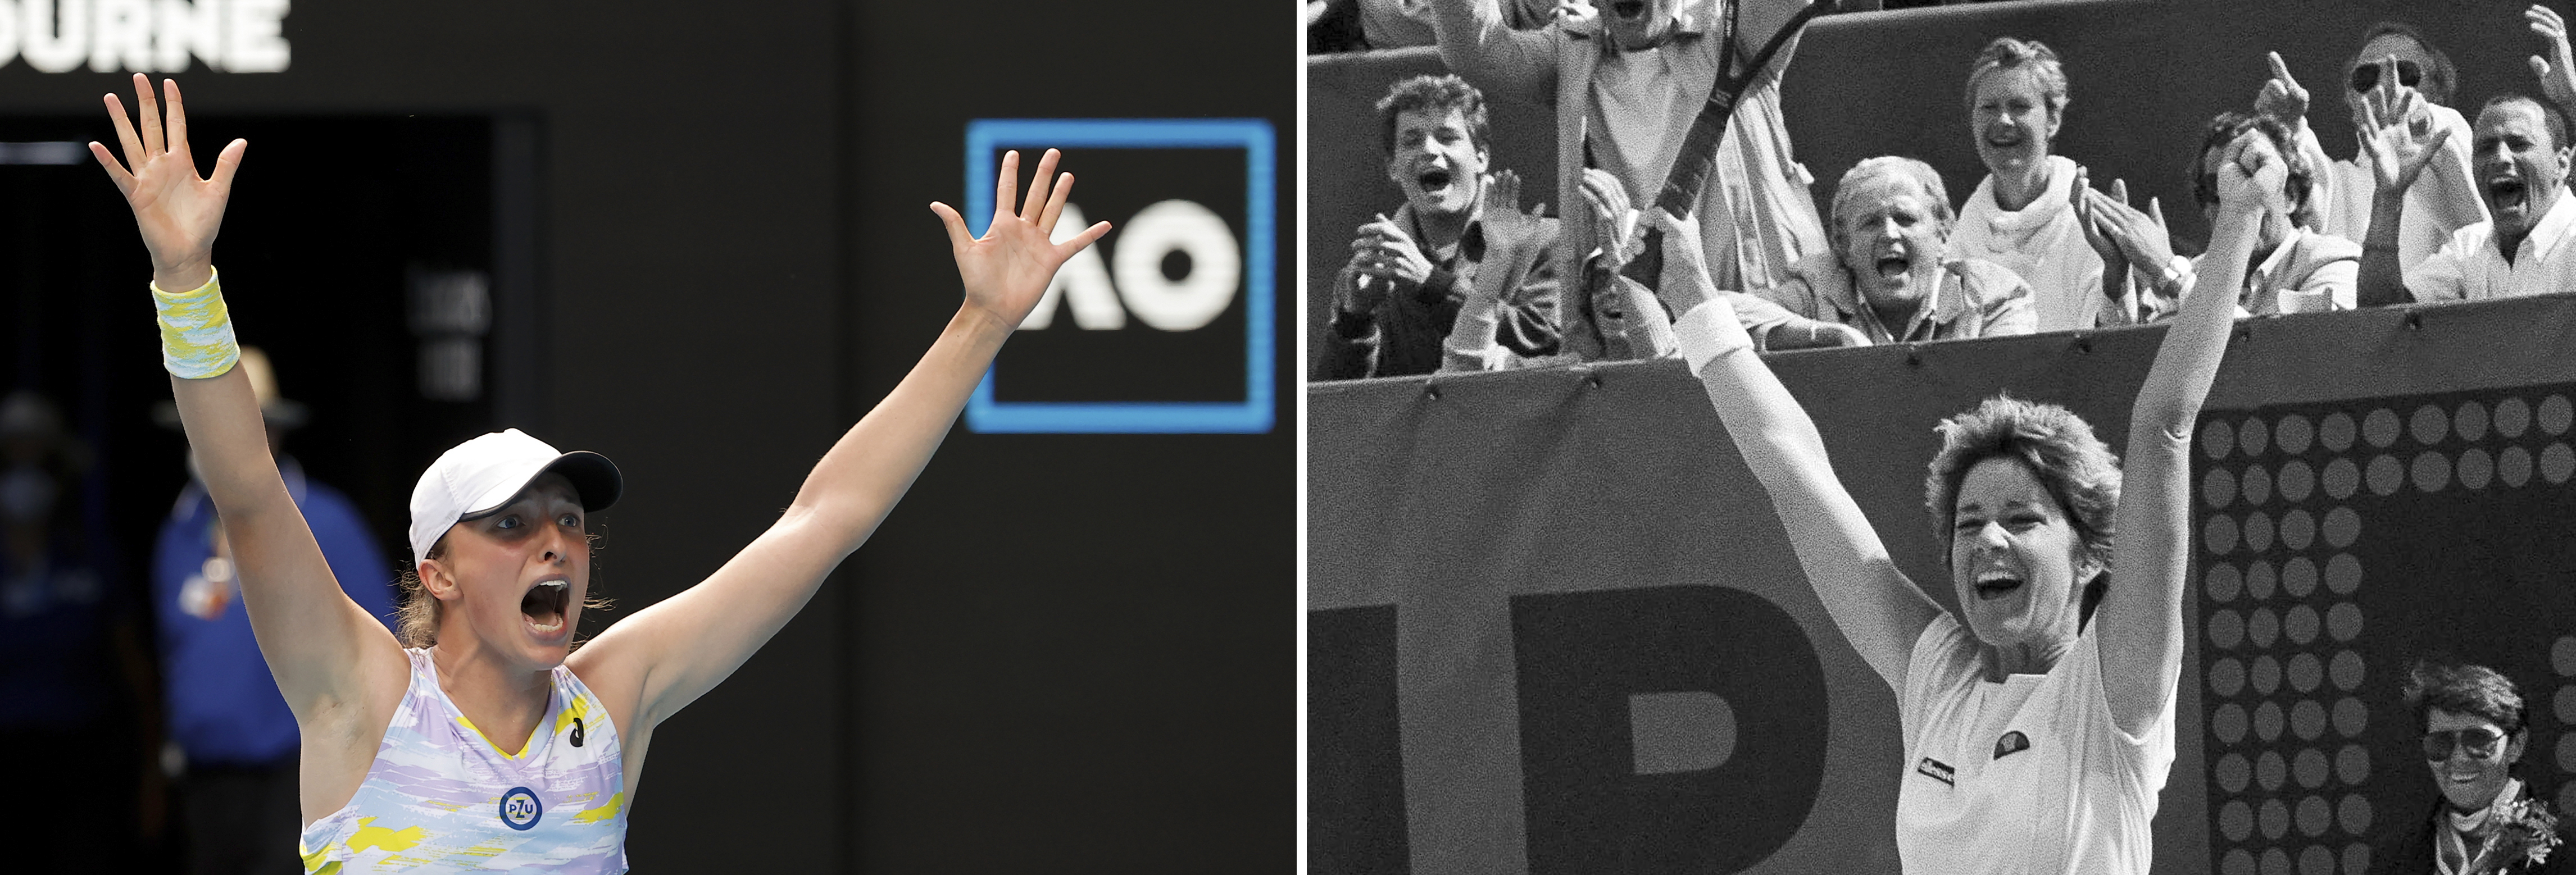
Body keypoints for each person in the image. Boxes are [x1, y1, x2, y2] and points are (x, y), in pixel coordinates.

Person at [90, 74, 1110, 871]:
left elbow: (827, 516)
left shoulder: (615, 697)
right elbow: (251, 489)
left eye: (571, 521)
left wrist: (981, 324)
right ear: (435, 571)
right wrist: (184, 278)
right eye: (513, 523)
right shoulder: (358, 695)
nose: (556, 541)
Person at [1650, 86, 2282, 874]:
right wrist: (1691, 302)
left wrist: (2239, 223)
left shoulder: (2115, 689)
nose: (1987, 535)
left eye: (2021, 518)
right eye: (1969, 521)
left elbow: (2161, 427)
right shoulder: (1934, 674)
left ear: (2088, 555)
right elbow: (1795, 471)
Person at [1426, 0, 1832, 359]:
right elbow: (1475, 50)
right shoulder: (1570, 49)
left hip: (1761, 309)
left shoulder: (1733, 25)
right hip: (1641, 323)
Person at [150, 347, 395, 875]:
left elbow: (387, 659)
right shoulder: (177, 532)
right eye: (201, 419)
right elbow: (171, 655)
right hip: (204, 784)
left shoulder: (327, 524)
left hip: (298, 782)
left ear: (271, 433)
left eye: (232, 418)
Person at [0, 391, 167, 867]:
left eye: (38, 454)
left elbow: (138, 676)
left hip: (82, 764)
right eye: (13, 452)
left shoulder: (93, 559)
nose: (25, 470)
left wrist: (151, 777)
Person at [1319, 73, 1562, 379]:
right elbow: (1338, 411)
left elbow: (1549, 345)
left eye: (1447, 137)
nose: (1429, 150)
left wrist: (1433, 285)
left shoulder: (1542, 239)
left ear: (1481, 157)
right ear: (1393, 167)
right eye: (1412, 141)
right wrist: (1354, 322)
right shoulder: (1377, 265)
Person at [2087, 108, 2358, 317]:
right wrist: (2118, 279)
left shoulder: (2333, 260)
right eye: (2217, 189)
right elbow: (2141, 366)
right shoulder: (2195, 273)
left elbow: (2293, 356)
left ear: (2291, 196)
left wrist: (2170, 273)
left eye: (2252, 178)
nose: (2234, 200)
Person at [1747, 156, 2034, 344]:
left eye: (1905, 219)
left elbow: (2010, 388)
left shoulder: (1994, 296)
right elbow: (1722, 314)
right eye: (1871, 223)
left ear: (1944, 234)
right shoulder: (1816, 289)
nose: (1889, 233)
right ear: (1844, 247)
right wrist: (1822, 335)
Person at [2278, 22, 2484, 279]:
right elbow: (2311, 183)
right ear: (2353, 99)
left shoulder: (2457, 146)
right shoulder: (2340, 181)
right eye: (2366, 77)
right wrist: (2288, 130)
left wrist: (2421, 122)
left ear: (2438, 93)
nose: (2385, 84)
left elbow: (2452, 143)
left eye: (2405, 73)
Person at [1948, 37, 2125, 332]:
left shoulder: (2086, 222)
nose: (2003, 120)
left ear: (2052, 120)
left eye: (2019, 106)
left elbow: (2110, 343)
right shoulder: (1962, 238)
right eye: (1989, 108)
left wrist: (2116, 276)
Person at [2357, 91, 2576, 304]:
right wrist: (2389, 199)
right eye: (2486, 148)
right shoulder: (2469, 248)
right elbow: (2381, 319)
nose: (2500, 157)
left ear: (2562, 163)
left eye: (2519, 144)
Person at [2366, 659, 2572, 875]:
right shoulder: (2393, 860)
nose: (2459, 758)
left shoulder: (2567, 851)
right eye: (2440, 743)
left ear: (2516, 746)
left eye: (2479, 741)